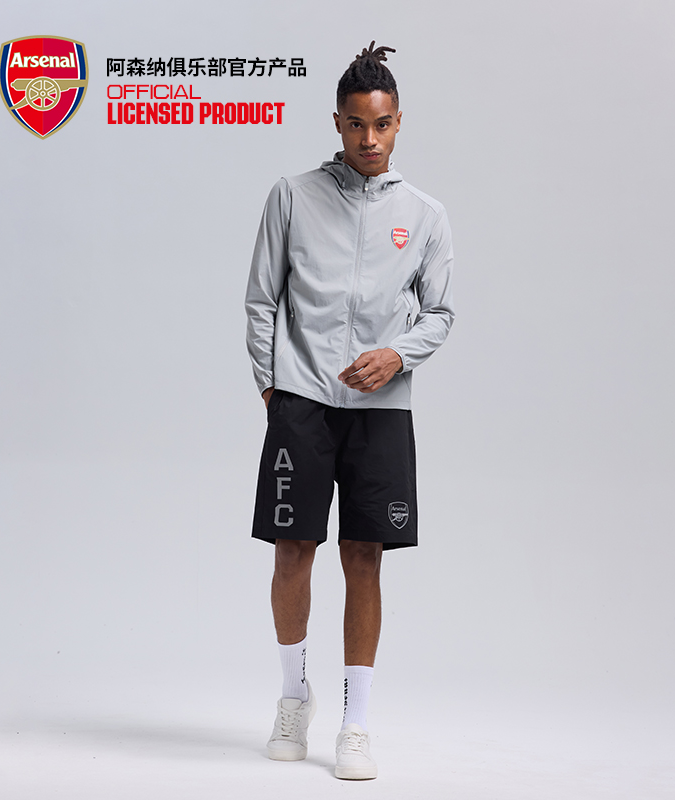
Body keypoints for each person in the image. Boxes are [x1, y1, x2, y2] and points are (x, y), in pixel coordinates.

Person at [244, 41, 455, 780]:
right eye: (358, 124)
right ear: (337, 122)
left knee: (364, 557)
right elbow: (262, 299)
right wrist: (274, 389)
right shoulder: (291, 196)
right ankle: (292, 696)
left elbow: (441, 313)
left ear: (399, 123)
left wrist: (397, 355)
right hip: (301, 402)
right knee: (292, 551)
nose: (370, 139)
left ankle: (355, 722)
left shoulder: (424, 215)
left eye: (383, 124)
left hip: (380, 411)